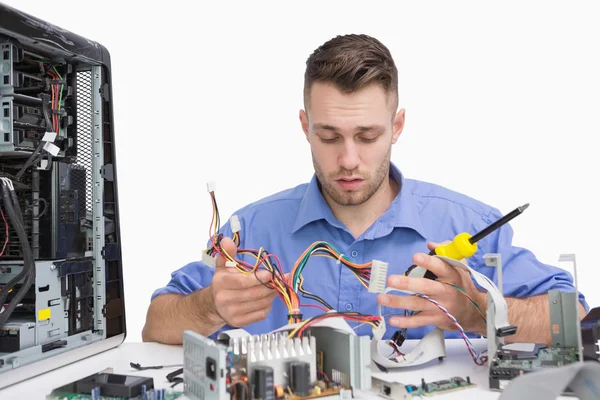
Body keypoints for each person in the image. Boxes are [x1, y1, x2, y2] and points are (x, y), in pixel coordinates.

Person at [142, 34, 588, 345]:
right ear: (305, 126)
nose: (349, 160)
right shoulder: (253, 229)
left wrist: (478, 312)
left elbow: (577, 318)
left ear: (397, 127)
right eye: (330, 136)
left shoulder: (466, 225)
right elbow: (155, 322)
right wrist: (209, 307)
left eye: (368, 136)